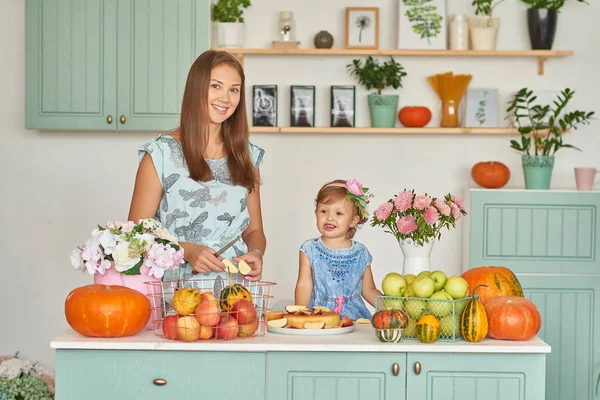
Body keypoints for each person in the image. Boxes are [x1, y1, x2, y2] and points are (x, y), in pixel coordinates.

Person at [127, 50, 266, 284]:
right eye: (216, 86)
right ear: (195, 89)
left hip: (235, 300)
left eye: (234, 90)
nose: (225, 98)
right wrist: (185, 250)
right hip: (176, 299)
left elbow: (254, 231)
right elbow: (134, 239)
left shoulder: (247, 157)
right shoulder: (160, 154)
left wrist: (256, 253)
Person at [294, 179, 383, 320]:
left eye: (339, 213)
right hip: (319, 316)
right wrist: (299, 315)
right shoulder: (310, 249)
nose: (329, 218)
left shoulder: (361, 253)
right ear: (316, 213)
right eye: (324, 211)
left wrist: (391, 307)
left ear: (353, 220)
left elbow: (369, 290)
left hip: (353, 318)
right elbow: (304, 285)